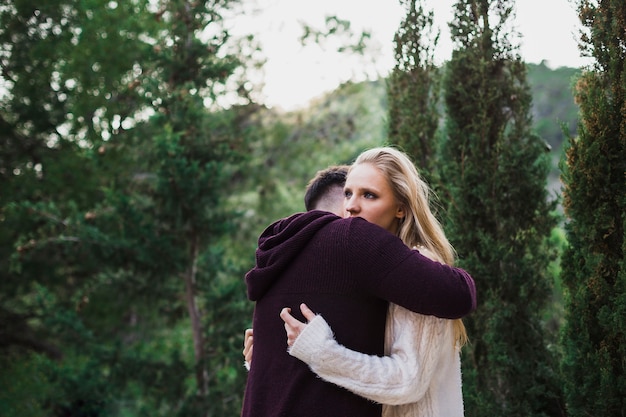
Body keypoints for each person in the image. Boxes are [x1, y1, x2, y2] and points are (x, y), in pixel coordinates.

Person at [240, 157, 476, 417]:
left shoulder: (420, 266)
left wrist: (320, 352)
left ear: (401, 208)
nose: (351, 207)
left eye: (369, 196)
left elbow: (407, 381)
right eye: (348, 193)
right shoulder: (367, 274)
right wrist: (269, 360)